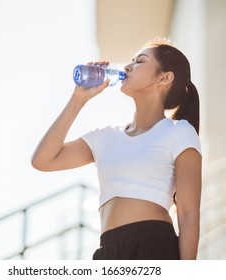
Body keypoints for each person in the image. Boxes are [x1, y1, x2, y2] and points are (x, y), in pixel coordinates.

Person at [31, 38, 202, 260]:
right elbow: (43, 161)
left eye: (140, 61)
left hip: (153, 245)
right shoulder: (105, 137)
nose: (128, 66)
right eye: (130, 60)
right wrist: (78, 98)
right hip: (108, 251)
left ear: (165, 77)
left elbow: (189, 214)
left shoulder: (179, 131)